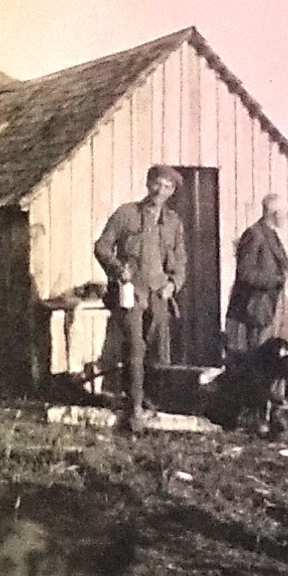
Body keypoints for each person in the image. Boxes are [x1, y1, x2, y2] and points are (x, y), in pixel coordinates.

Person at [94, 164, 187, 432]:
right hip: (131, 293)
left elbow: (180, 262)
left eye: (168, 187)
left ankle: (148, 401)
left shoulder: (173, 223)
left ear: (172, 192)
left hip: (159, 294)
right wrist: (117, 269)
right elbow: (102, 247)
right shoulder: (127, 214)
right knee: (134, 347)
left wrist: (174, 284)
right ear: (148, 184)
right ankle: (134, 409)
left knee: (157, 351)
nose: (161, 190)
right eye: (157, 183)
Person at [226, 193, 288, 352]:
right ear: (275, 214)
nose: (286, 218)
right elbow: (246, 273)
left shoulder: (271, 234)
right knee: (259, 356)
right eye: (285, 213)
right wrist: (280, 279)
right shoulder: (254, 235)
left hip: (268, 307)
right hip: (255, 309)